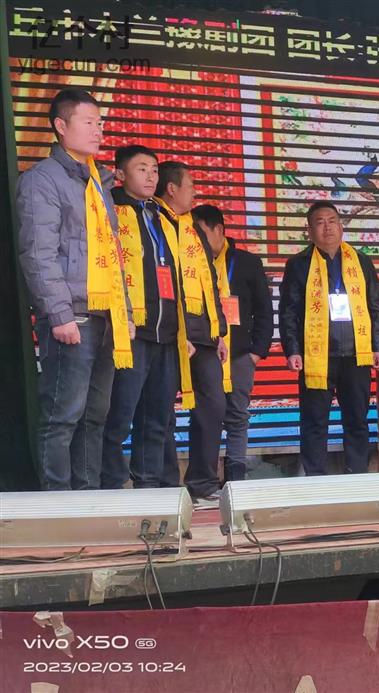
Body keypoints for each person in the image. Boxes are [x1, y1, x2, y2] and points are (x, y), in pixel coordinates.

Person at [16, 88, 134, 490]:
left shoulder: (97, 183)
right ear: (61, 126)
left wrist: (125, 313)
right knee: (62, 415)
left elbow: (113, 255)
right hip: (72, 316)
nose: (98, 130)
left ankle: (88, 500)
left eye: (100, 123)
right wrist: (59, 314)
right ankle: (58, 504)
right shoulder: (42, 180)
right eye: (88, 122)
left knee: (95, 416)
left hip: (105, 316)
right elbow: (38, 252)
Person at [101, 146, 196, 489]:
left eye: (154, 170)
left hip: (166, 334)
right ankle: (110, 486)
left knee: (157, 419)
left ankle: (149, 488)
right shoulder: (109, 210)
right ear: (120, 174)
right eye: (142, 169)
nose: (151, 176)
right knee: (117, 417)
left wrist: (185, 331)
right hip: (132, 333)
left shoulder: (162, 216)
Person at [278, 202, 379, 476]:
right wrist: (293, 350)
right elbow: (288, 311)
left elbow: (376, 306)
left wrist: (378, 346)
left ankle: (357, 476)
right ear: (309, 230)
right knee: (314, 421)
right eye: (319, 222)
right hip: (316, 356)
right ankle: (316, 479)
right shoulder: (298, 265)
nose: (327, 227)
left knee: (357, 420)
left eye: (332, 221)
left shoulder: (361, 262)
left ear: (341, 226)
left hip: (356, 354)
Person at [154, 161, 228, 500]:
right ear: (172, 189)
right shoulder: (154, 221)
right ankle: (167, 484)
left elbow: (210, 280)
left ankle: (203, 482)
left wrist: (220, 330)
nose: (195, 192)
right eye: (191, 185)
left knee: (212, 407)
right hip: (169, 333)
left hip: (204, 335)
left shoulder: (193, 228)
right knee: (161, 410)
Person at [192, 204, 273, 482]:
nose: (197, 240)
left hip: (239, 355)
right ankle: (204, 477)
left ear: (219, 230)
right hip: (205, 352)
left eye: (201, 233)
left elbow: (264, 310)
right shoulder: (193, 263)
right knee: (205, 415)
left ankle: (236, 475)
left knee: (237, 415)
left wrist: (256, 353)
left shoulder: (247, 263)